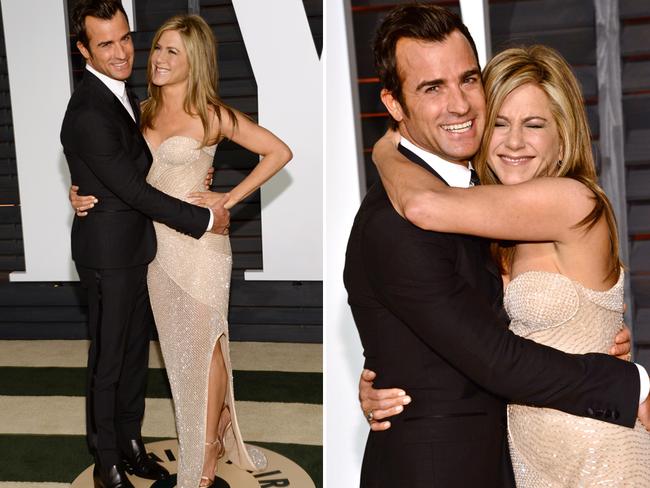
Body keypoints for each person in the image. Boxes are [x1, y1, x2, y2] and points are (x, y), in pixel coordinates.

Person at [343, 4, 650, 487]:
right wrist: (384, 368)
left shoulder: (567, 201)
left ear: (563, 132)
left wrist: (386, 147)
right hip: (481, 463)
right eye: (432, 88)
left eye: (468, 80)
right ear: (396, 105)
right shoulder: (425, 220)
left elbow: (493, 346)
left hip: (592, 449)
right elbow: (469, 337)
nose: (461, 105)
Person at [72, 13, 292, 488]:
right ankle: (208, 430)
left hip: (202, 248)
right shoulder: (140, 109)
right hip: (153, 249)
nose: (159, 58)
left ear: (196, 61)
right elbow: (117, 172)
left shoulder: (210, 112)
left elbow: (278, 152)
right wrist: (80, 189)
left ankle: (203, 460)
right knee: (178, 355)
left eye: (174, 51)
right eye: (159, 48)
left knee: (205, 348)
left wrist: (225, 200)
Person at [61, 2, 230, 487]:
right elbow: (133, 190)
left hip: (140, 247)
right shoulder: (88, 110)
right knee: (109, 359)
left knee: (135, 352)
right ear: (83, 50)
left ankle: (131, 443)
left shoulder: (125, 92)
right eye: (105, 44)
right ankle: (106, 460)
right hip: (108, 255)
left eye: (124, 38)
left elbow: (136, 167)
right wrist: (202, 218)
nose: (120, 53)